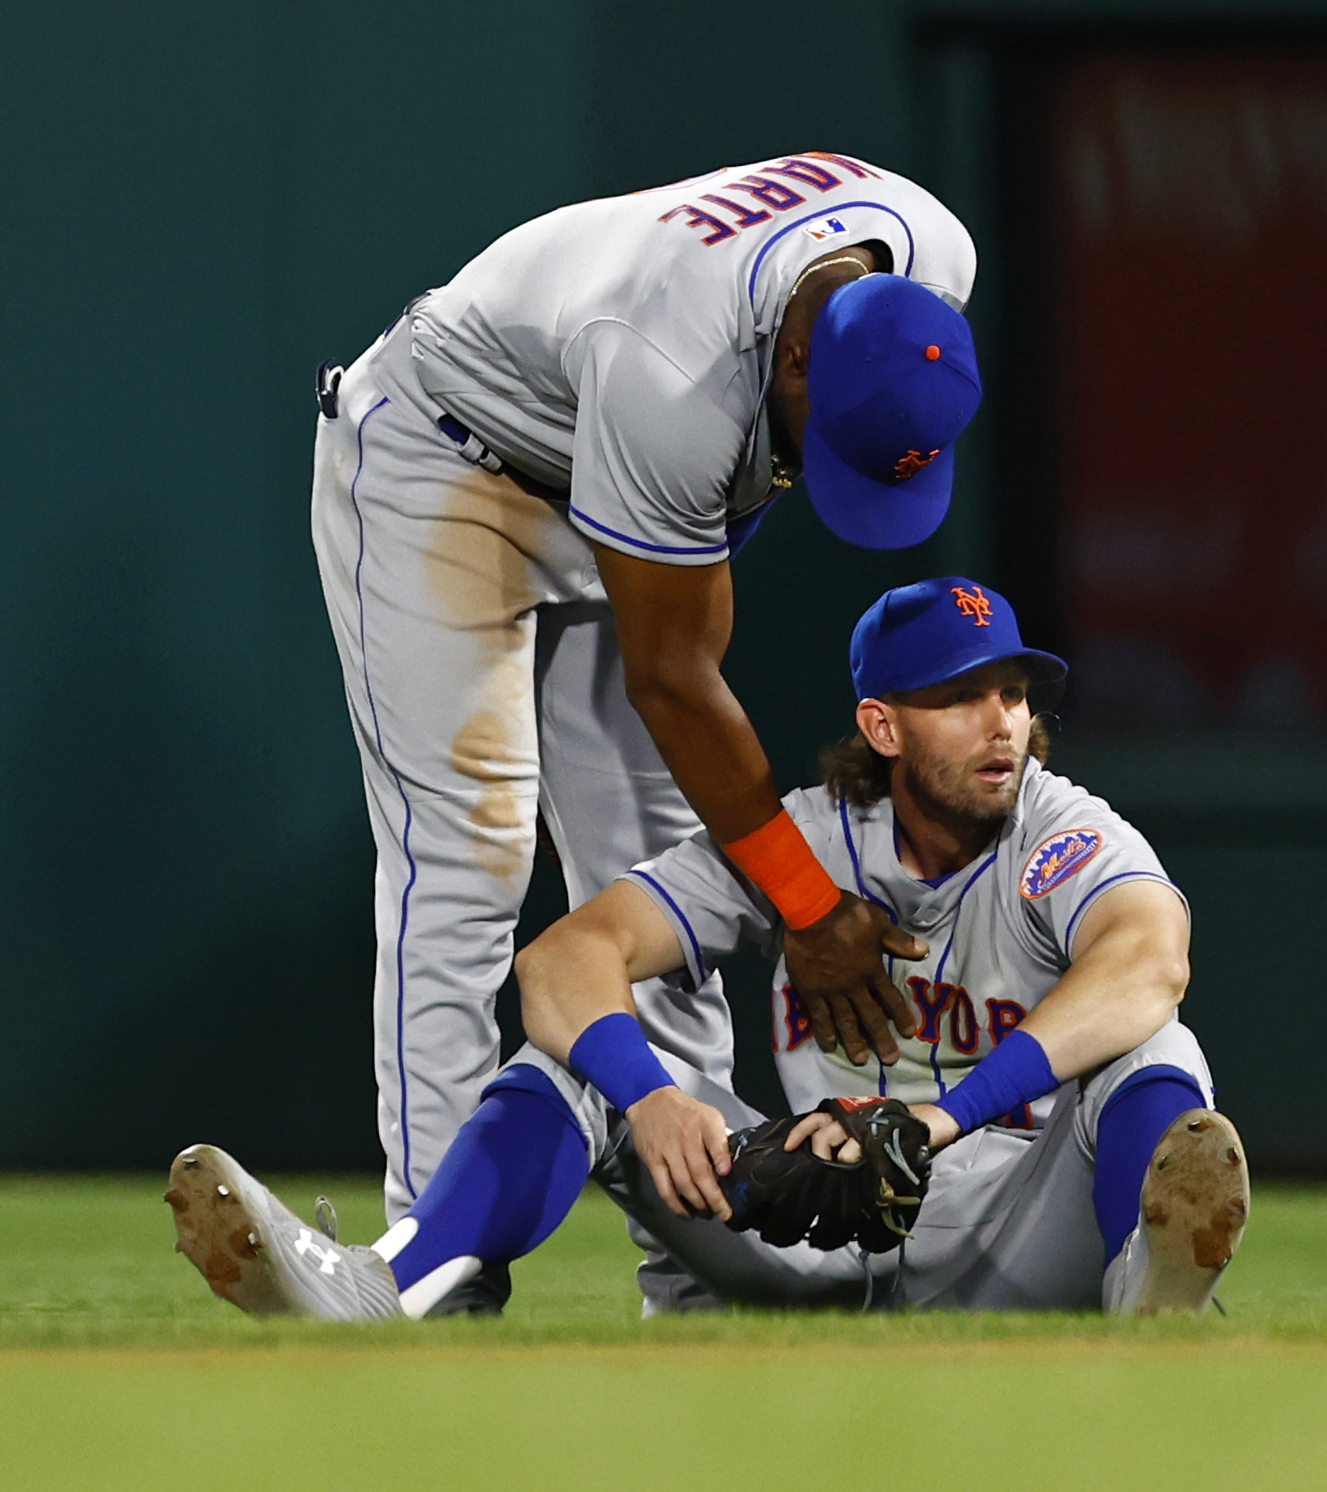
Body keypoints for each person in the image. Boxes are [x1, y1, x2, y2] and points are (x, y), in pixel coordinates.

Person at [168, 579, 1250, 1316]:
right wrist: (649, 1093)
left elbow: (1148, 961)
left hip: (1021, 1232)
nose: (1002, 721)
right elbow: (560, 960)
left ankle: (1145, 1307)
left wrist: (935, 1118)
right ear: (883, 727)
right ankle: (385, 1285)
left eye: (1011, 693)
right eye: (960, 696)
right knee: (580, 1056)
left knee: (1161, 1057)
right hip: (810, 1222)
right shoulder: (804, 842)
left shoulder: (1061, 832)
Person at [308, 151, 984, 1310]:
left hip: (606, 466)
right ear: (792, 354)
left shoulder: (933, 255)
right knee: (467, 858)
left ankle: (698, 1273)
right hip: (448, 455)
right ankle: (433, 1275)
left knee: (653, 888)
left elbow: (683, 647)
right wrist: (808, 907)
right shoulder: (677, 368)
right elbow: (676, 680)